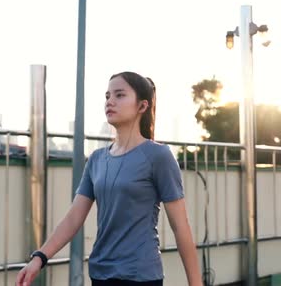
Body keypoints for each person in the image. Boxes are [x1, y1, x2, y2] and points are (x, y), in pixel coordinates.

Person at [16, 71, 202, 286]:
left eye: (120, 95)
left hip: (140, 276)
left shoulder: (158, 156)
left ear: (142, 106)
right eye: (107, 96)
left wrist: (195, 283)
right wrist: (39, 258)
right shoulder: (96, 159)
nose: (110, 102)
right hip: (100, 272)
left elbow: (180, 226)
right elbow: (73, 218)